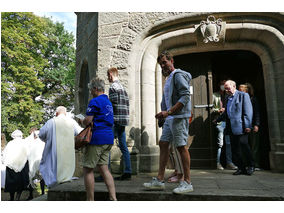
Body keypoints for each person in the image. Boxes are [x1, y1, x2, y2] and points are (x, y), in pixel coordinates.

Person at [143, 51, 193, 194]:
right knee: (163, 143)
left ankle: (187, 182)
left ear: (172, 61)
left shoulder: (178, 75)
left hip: (178, 117)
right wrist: (164, 115)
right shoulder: (169, 78)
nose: (163, 66)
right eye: (161, 64)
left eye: (165, 62)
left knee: (181, 147)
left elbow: (185, 97)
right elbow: (168, 100)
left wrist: (169, 112)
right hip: (170, 119)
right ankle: (159, 180)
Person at [81, 78, 117, 201]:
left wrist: (81, 120)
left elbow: (88, 121)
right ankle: (113, 198)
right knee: (104, 168)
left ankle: (90, 201)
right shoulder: (108, 102)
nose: (90, 92)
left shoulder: (94, 101)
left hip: (97, 139)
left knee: (88, 169)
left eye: (91, 89)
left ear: (96, 89)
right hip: (108, 138)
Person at [217, 80, 254, 175]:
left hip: (241, 127)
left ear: (234, 86)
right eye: (225, 89)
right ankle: (241, 168)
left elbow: (248, 111)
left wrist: (248, 125)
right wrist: (218, 119)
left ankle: (250, 166)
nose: (226, 90)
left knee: (244, 146)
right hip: (231, 127)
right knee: (235, 149)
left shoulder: (243, 95)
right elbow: (227, 111)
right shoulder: (227, 97)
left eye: (228, 88)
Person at [39, 106, 79, 188]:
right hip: (68, 150)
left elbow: (41, 134)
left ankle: (53, 182)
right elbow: (79, 132)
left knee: (52, 165)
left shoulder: (51, 122)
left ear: (56, 113)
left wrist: (48, 140)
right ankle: (66, 177)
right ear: (65, 113)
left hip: (53, 150)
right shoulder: (72, 122)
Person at [107, 67, 132, 181]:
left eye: (108, 75)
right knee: (123, 146)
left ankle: (106, 173)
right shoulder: (123, 88)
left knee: (106, 146)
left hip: (115, 120)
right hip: (123, 120)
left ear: (111, 75)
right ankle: (128, 171)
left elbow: (111, 106)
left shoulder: (113, 87)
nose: (108, 78)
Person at [212, 80, 237, 170]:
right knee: (220, 144)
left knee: (229, 143)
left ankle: (229, 162)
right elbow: (211, 107)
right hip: (220, 121)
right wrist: (218, 110)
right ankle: (218, 163)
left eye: (225, 85)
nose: (223, 86)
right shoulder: (215, 95)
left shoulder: (230, 95)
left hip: (229, 121)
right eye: (222, 84)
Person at [3, 130, 30, 201]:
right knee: (20, 183)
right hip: (22, 165)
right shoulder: (24, 142)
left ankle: (12, 198)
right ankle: (17, 197)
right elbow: (28, 153)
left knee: (11, 183)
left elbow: (5, 154)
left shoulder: (10, 143)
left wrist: (5, 161)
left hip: (11, 166)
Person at [245, 83, 261, 170]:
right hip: (245, 126)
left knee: (254, 146)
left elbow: (257, 113)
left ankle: (255, 164)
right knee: (246, 146)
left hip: (252, 125)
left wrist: (256, 124)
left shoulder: (253, 99)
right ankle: (248, 164)